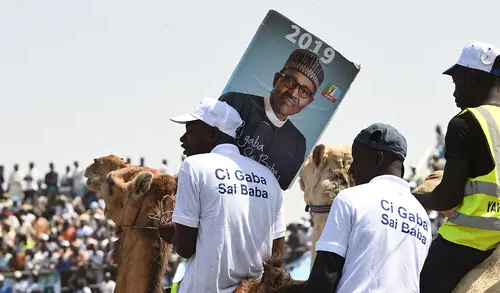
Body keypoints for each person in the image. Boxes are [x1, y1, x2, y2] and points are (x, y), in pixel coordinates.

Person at [159, 97, 286, 293]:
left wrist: (168, 232)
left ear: (213, 134)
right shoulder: (268, 178)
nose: (183, 139)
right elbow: (277, 255)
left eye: (190, 131)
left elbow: (185, 248)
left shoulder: (194, 167)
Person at [413, 41, 500, 293]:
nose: (454, 93)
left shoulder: (465, 122)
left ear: (472, 77)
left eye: (456, 82)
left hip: (468, 241)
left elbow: (446, 197)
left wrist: (414, 199)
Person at [304, 123, 432, 293]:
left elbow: (327, 272)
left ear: (378, 159)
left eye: (356, 159)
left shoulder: (351, 199)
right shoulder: (421, 215)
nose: (351, 169)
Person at [219, 48, 324, 190]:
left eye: (303, 92)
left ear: (309, 102)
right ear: (276, 79)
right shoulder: (234, 102)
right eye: (290, 81)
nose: (293, 93)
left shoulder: (298, 143)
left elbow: (279, 188)